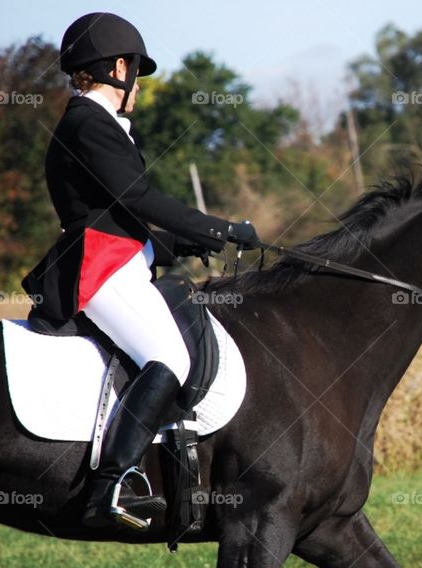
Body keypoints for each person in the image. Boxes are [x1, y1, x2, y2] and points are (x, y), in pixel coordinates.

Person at [22, 12, 258, 529]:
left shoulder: (97, 124)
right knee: (168, 355)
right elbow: (139, 198)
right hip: (99, 270)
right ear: (119, 67)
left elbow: (122, 213)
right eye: (136, 74)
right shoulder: (88, 122)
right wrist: (221, 229)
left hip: (120, 261)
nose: (138, 87)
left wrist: (191, 241)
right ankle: (110, 488)